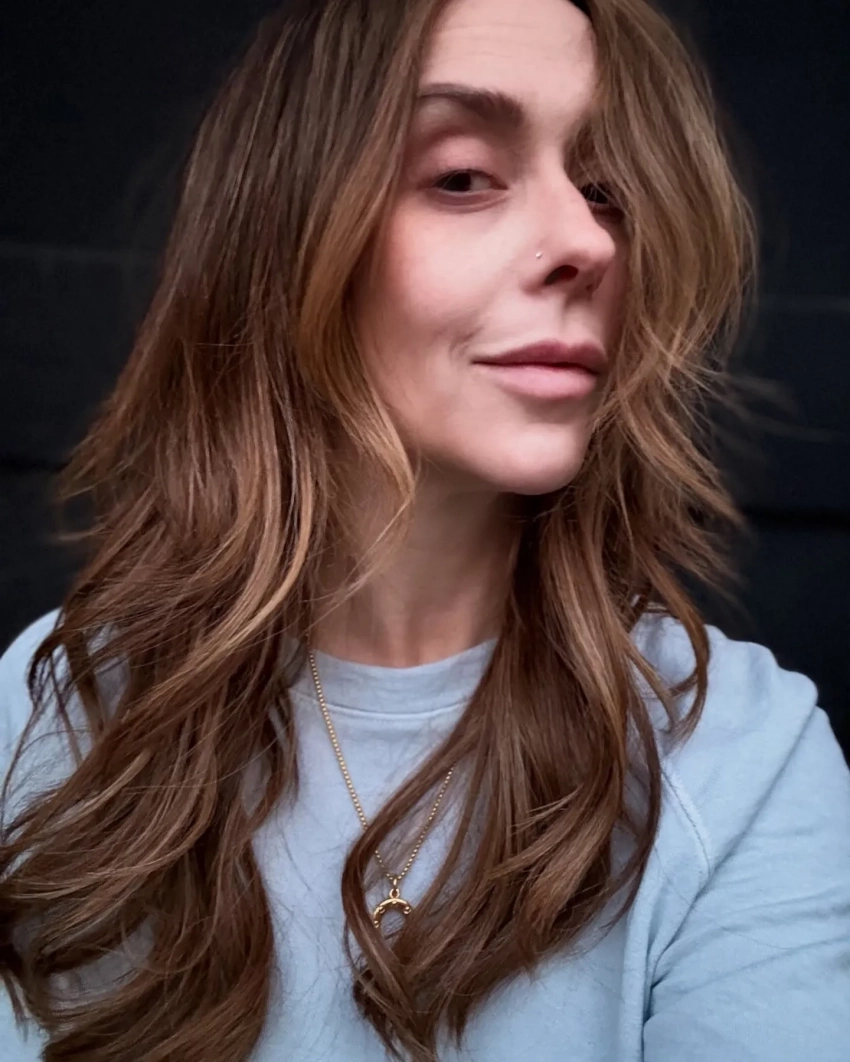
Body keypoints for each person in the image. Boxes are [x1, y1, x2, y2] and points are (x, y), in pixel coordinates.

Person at [1, 0, 848, 1059]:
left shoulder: (741, 760)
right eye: (462, 177)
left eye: (606, 189)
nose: (587, 240)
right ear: (287, 239)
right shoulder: (49, 714)